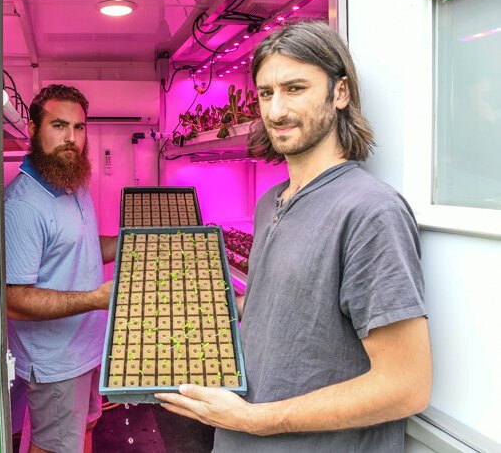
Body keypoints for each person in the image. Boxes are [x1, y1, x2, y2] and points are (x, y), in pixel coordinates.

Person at [156, 22, 432, 452]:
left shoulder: (370, 212)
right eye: (266, 93)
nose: (276, 110)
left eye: (295, 88)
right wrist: (221, 304)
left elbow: (404, 385)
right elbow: (298, 317)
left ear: (339, 93)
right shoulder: (272, 203)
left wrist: (251, 419)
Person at [5, 84, 117, 452]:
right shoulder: (23, 205)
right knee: (54, 446)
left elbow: (80, 249)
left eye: (79, 127)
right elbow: (14, 300)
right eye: (58, 125)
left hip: (85, 348)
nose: (71, 138)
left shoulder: (72, 182)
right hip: (56, 362)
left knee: (83, 430)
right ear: (35, 131)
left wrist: (134, 242)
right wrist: (95, 298)